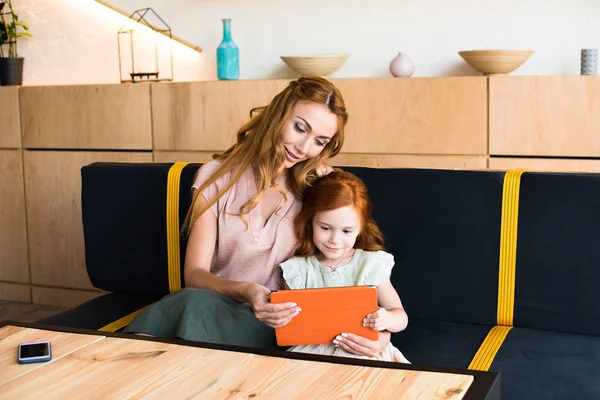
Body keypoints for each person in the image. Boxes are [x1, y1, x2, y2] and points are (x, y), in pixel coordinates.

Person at [124, 76, 393, 358]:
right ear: (278, 115)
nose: (303, 148)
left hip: (286, 321)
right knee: (187, 304)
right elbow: (194, 274)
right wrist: (247, 291)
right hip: (218, 308)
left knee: (189, 313)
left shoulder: (320, 182)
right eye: (299, 128)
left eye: (319, 141)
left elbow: (357, 261)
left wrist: (381, 334)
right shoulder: (216, 176)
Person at [278, 170, 410, 362]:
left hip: (364, 351)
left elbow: (401, 316)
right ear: (310, 222)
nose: (334, 240)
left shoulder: (369, 264)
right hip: (312, 354)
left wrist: (386, 319)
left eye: (347, 231)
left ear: (360, 229)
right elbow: (290, 326)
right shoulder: (298, 270)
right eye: (325, 228)